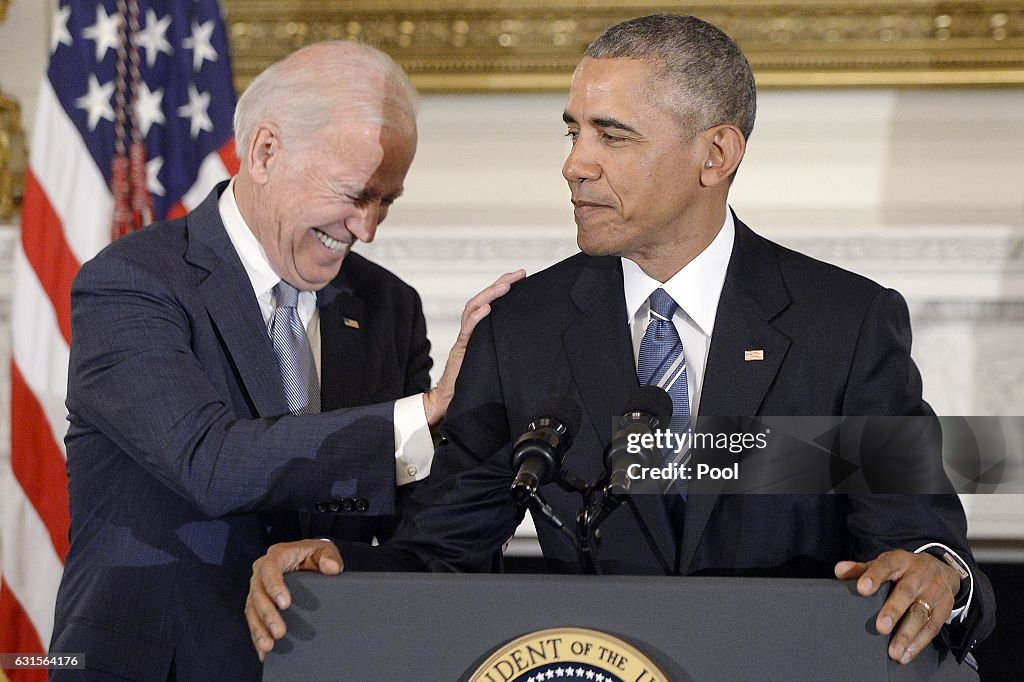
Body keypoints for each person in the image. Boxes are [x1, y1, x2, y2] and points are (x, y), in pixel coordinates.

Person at [246, 15, 995, 669]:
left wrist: (937, 574)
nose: (576, 163)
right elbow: (445, 549)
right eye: (574, 131)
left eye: (613, 135)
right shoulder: (524, 329)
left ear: (716, 155)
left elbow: (921, 539)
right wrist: (347, 570)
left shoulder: (848, 324)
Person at [50, 41, 523, 681]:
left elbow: (416, 521)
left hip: (327, 663)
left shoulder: (388, 306)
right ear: (267, 152)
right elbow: (208, 463)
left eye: (386, 201)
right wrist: (421, 413)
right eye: (355, 194)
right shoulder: (133, 283)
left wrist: (488, 424)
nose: (368, 228)